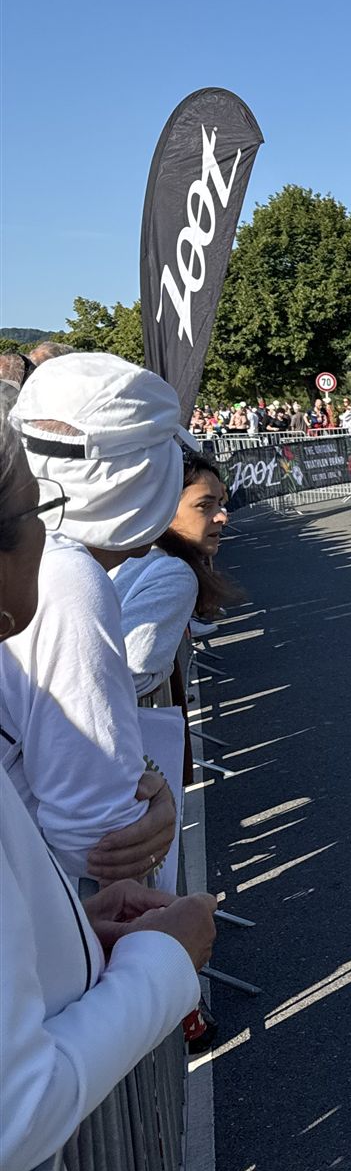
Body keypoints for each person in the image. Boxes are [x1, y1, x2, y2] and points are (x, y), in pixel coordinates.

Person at [0, 396, 216, 1171]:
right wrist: (162, 969)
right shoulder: (75, 584)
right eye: (25, 520)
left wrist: (79, 921)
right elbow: (14, 1105)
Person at [0, 357, 188, 888]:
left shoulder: (43, 562)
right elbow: (102, 837)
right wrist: (155, 801)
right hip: (42, 907)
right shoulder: (66, 577)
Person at [112, 451, 238, 703]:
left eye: (220, 503)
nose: (222, 516)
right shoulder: (174, 573)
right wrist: (164, 669)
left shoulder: (132, 554)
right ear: (163, 508)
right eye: (204, 506)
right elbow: (128, 677)